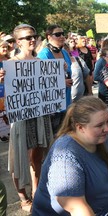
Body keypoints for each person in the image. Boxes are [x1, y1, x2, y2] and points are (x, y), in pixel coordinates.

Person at [32, 96, 108, 216]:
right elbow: (77, 208)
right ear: (80, 127)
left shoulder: (101, 138)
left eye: (107, 121)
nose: (107, 128)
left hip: (103, 205)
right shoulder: (65, 159)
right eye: (99, 125)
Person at [8, 23, 53, 212]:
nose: (32, 39)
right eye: (27, 37)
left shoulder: (42, 63)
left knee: (38, 155)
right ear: (18, 42)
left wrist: (59, 78)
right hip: (21, 118)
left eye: (34, 36)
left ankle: (37, 191)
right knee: (20, 157)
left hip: (40, 115)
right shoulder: (10, 65)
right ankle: (22, 196)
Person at [37, 24, 73, 134]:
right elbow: (40, 81)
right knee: (55, 139)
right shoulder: (44, 55)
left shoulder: (65, 53)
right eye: (58, 34)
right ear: (49, 37)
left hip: (66, 102)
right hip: (53, 107)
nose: (62, 36)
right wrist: (61, 82)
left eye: (63, 34)